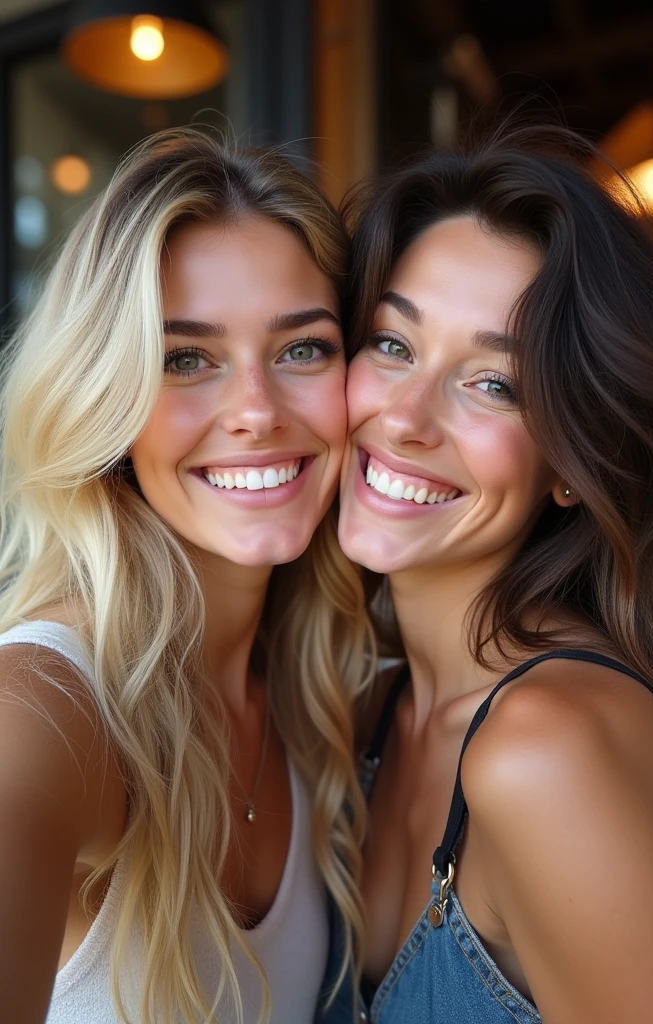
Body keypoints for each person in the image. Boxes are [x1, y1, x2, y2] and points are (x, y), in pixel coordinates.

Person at [0, 128, 373, 1024]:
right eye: (185, 360)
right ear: (107, 400)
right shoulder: (41, 712)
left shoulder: (311, 689)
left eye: (303, 349)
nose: (254, 411)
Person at [334, 126, 653, 1024]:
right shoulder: (371, 713)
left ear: (573, 456)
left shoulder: (550, 748)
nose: (406, 418)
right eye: (391, 344)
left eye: (494, 384)